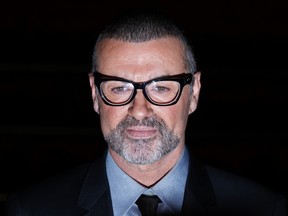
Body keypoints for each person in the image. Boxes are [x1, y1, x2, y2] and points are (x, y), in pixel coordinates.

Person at [4, 10, 287, 216]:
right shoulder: (29, 210)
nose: (139, 110)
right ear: (94, 92)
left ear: (195, 92)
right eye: (118, 88)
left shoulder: (265, 209)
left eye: (162, 88)